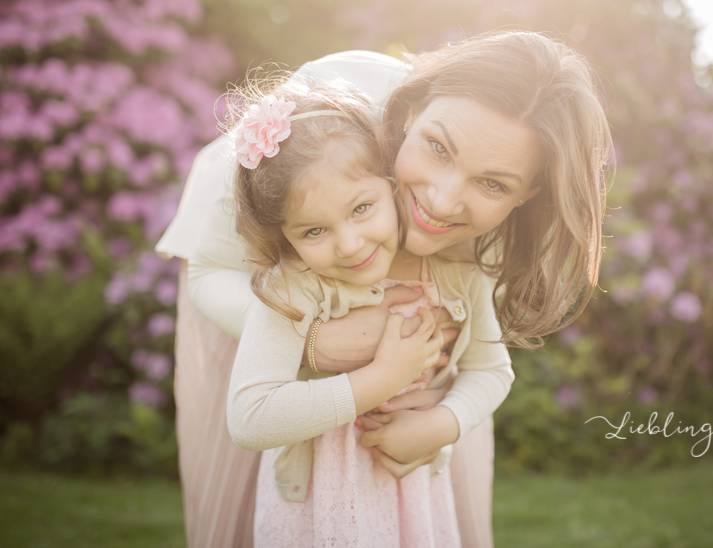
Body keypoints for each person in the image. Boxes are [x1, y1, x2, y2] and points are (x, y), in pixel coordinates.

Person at [156, 31, 612, 548]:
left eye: (493, 184)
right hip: (251, 305)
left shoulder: (493, 233)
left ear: (526, 196)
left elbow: (480, 361)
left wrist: (442, 420)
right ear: (408, 115)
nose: (441, 200)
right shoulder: (322, 129)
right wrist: (314, 341)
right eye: (437, 148)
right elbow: (211, 273)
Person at [223, 81, 513, 546]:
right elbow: (251, 418)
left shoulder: (458, 273)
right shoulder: (294, 286)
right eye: (314, 230)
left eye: (362, 208)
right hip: (315, 505)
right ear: (286, 237)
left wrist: (441, 425)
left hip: (415, 493)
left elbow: (493, 372)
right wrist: (381, 378)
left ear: (392, 184)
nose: (350, 243)